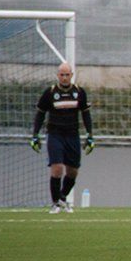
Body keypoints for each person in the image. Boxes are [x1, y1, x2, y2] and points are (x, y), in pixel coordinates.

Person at [30, 62, 94, 214]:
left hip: (73, 135)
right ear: (57, 75)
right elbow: (40, 113)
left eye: (67, 74)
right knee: (57, 168)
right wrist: (35, 135)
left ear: (71, 75)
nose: (64, 78)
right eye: (62, 74)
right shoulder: (50, 92)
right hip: (55, 134)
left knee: (73, 172)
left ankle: (62, 197)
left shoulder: (79, 92)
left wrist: (90, 135)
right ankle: (55, 204)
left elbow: (85, 114)